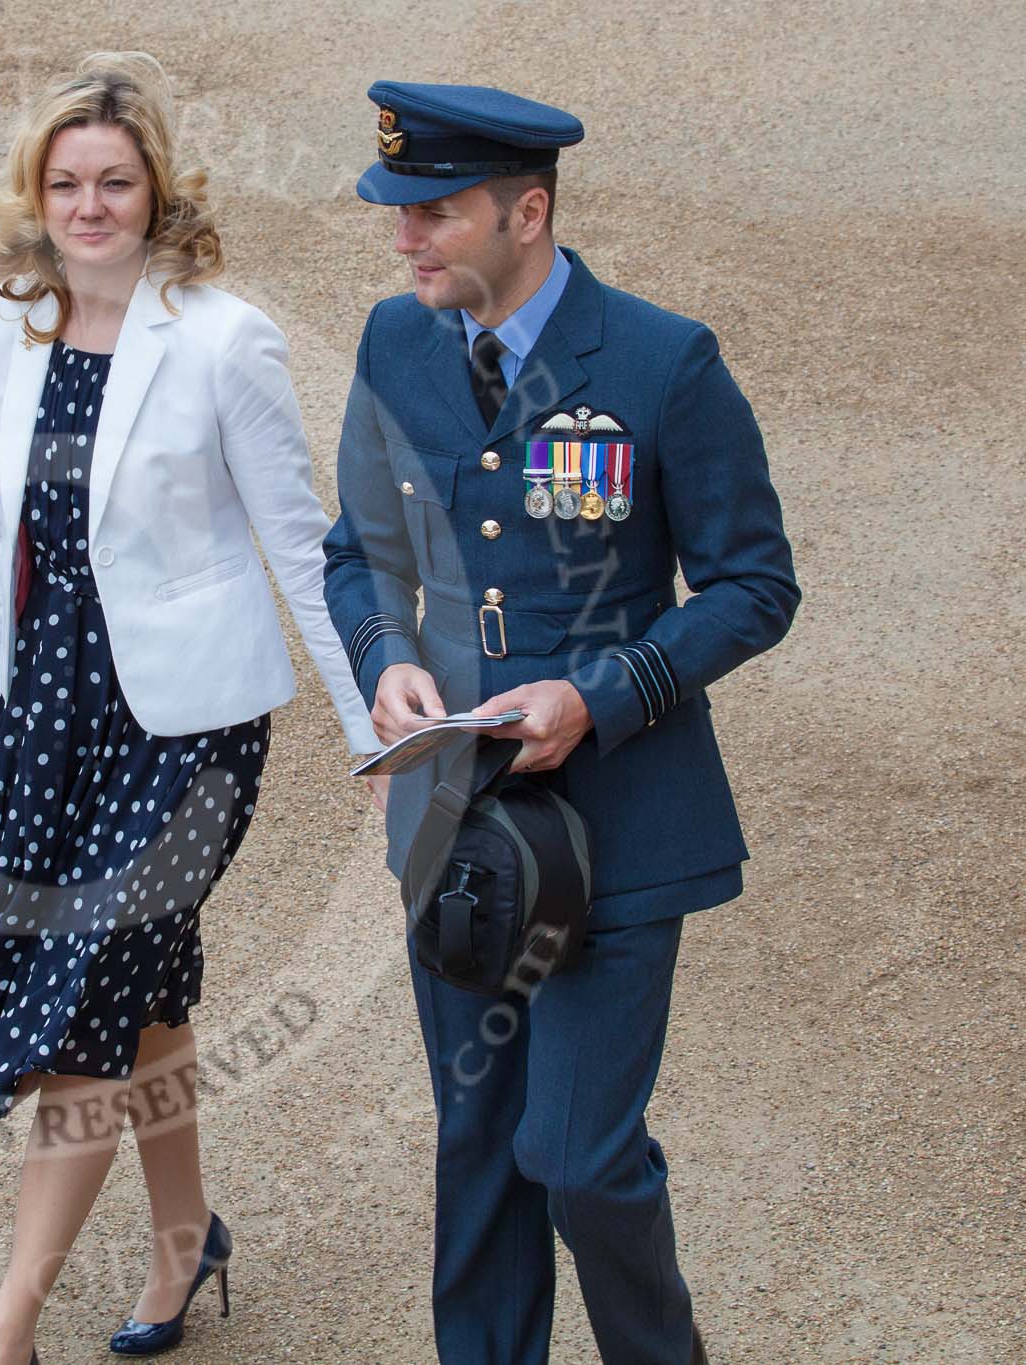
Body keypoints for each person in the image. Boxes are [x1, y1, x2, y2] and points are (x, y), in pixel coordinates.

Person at [0, 52, 380, 1365]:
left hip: (188, 731)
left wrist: (381, 723)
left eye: (114, 180)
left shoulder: (224, 336)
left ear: (158, 191)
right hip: (44, 709)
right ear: (36, 196)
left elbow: (301, 538)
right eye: (66, 181)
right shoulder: (17, 321)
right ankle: (182, 1236)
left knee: (88, 990)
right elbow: (7, 527)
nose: (89, 203)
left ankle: (7, 1323)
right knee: (141, 989)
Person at [322, 82, 800, 1364]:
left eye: (434, 213)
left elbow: (755, 585)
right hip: (456, 819)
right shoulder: (393, 341)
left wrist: (602, 693)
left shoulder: (659, 362)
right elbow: (357, 552)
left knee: (574, 1156)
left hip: (620, 826)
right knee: (476, 1147)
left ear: (525, 212)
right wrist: (381, 663)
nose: (404, 238)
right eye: (397, 213)